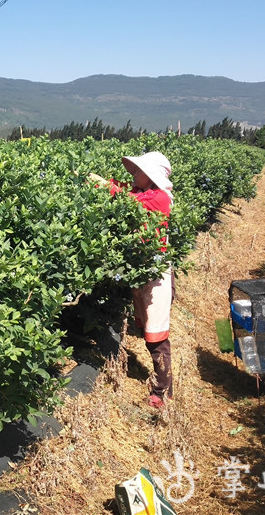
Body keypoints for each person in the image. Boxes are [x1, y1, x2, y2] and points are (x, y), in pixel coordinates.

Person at [108, 151, 174, 409]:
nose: (134, 175)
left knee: (156, 336)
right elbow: (128, 193)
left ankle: (162, 391)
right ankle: (161, 384)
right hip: (140, 271)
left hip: (155, 275)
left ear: (153, 176)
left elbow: (129, 202)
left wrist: (108, 188)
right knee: (148, 328)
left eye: (139, 171)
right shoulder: (140, 191)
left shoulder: (160, 198)